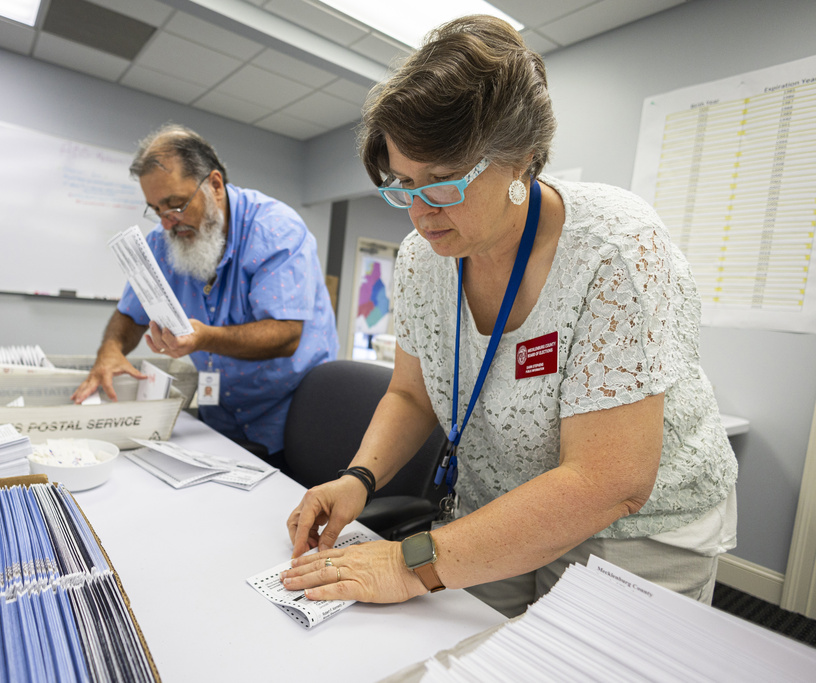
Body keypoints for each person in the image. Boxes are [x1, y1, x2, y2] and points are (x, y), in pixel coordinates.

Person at [281, 15, 737, 617]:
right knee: (457, 651)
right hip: (494, 508)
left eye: (443, 183)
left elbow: (610, 480)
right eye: (405, 183)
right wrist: (357, 479)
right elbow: (414, 396)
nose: (419, 212)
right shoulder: (423, 259)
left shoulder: (617, 248)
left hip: (634, 530)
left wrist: (403, 562)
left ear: (520, 160)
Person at [72, 124, 339, 465]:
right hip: (220, 414)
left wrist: (204, 338)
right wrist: (110, 351)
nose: (167, 223)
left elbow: (285, 335)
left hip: (291, 414)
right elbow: (129, 315)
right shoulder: (161, 241)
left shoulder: (275, 230)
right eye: (156, 210)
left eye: (176, 205)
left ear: (214, 185)